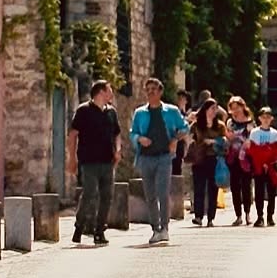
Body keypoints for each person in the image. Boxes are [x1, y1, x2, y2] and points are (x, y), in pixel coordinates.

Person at [128, 76, 187, 244]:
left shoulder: (172, 111)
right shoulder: (140, 113)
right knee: (150, 194)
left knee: (162, 192)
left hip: (164, 156)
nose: (150, 93)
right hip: (146, 157)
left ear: (160, 92)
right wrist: (140, 138)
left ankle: (165, 227)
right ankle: (155, 228)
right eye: (147, 90)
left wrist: (175, 140)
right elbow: (132, 133)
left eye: (153, 89)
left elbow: (184, 127)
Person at [67, 79, 120, 245]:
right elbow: (73, 134)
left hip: (107, 160)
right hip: (88, 160)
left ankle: (99, 230)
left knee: (107, 196)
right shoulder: (83, 111)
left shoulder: (111, 112)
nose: (111, 93)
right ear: (101, 92)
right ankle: (79, 226)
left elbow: (117, 134)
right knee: (89, 193)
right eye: (109, 90)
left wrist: (118, 150)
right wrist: (72, 157)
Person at [185, 98, 227, 227]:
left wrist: (213, 142)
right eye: (212, 108)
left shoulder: (220, 126)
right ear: (206, 110)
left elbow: (224, 141)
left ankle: (210, 217)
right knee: (199, 187)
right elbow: (187, 136)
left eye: (215, 109)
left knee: (212, 188)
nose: (214, 111)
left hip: (213, 158)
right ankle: (198, 216)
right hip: (199, 158)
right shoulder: (197, 125)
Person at [246, 106, 277, 226]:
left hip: (271, 167)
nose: (266, 120)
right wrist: (261, 162)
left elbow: (275, 151)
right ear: (259, 118)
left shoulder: (275, 134)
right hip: (258, 167)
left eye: (268, 117)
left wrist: (268, 163)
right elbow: (253, 151)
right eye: (263, 117)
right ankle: (260, 216)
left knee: (272, 193)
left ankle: (270, 216)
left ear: (271, 118)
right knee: (259, 192)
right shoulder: (254, 133)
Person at [225, 96, 255, 226]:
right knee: (235, 186)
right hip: (233, 157)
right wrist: (228, 138)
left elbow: (253, 139)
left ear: (243, 107)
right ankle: (238, 215)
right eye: (232, 109)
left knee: (246, 185)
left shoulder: (250, 123)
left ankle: (248, 213)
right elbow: (227, 137)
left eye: (237, 108)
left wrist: (248, 142)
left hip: (246, 158)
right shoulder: (230, 123)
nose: (235, 111)